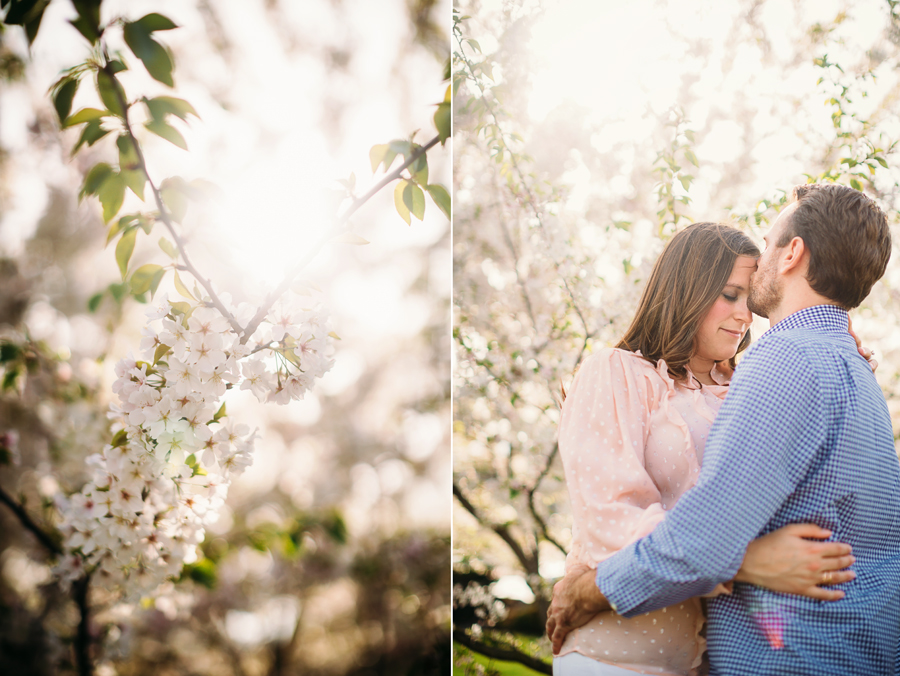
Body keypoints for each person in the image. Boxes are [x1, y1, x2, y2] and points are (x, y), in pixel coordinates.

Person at [547, 183, 898, 675]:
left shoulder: (769, 372)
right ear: (688, 289)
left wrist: (588, 592)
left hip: (728, 657)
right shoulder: (620, 372)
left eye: (745, 297)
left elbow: (716, 528)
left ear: (793, 252)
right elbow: (610, 517)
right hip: (622, 653)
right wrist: (745, 562)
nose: (744, 313)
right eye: (728, 295)